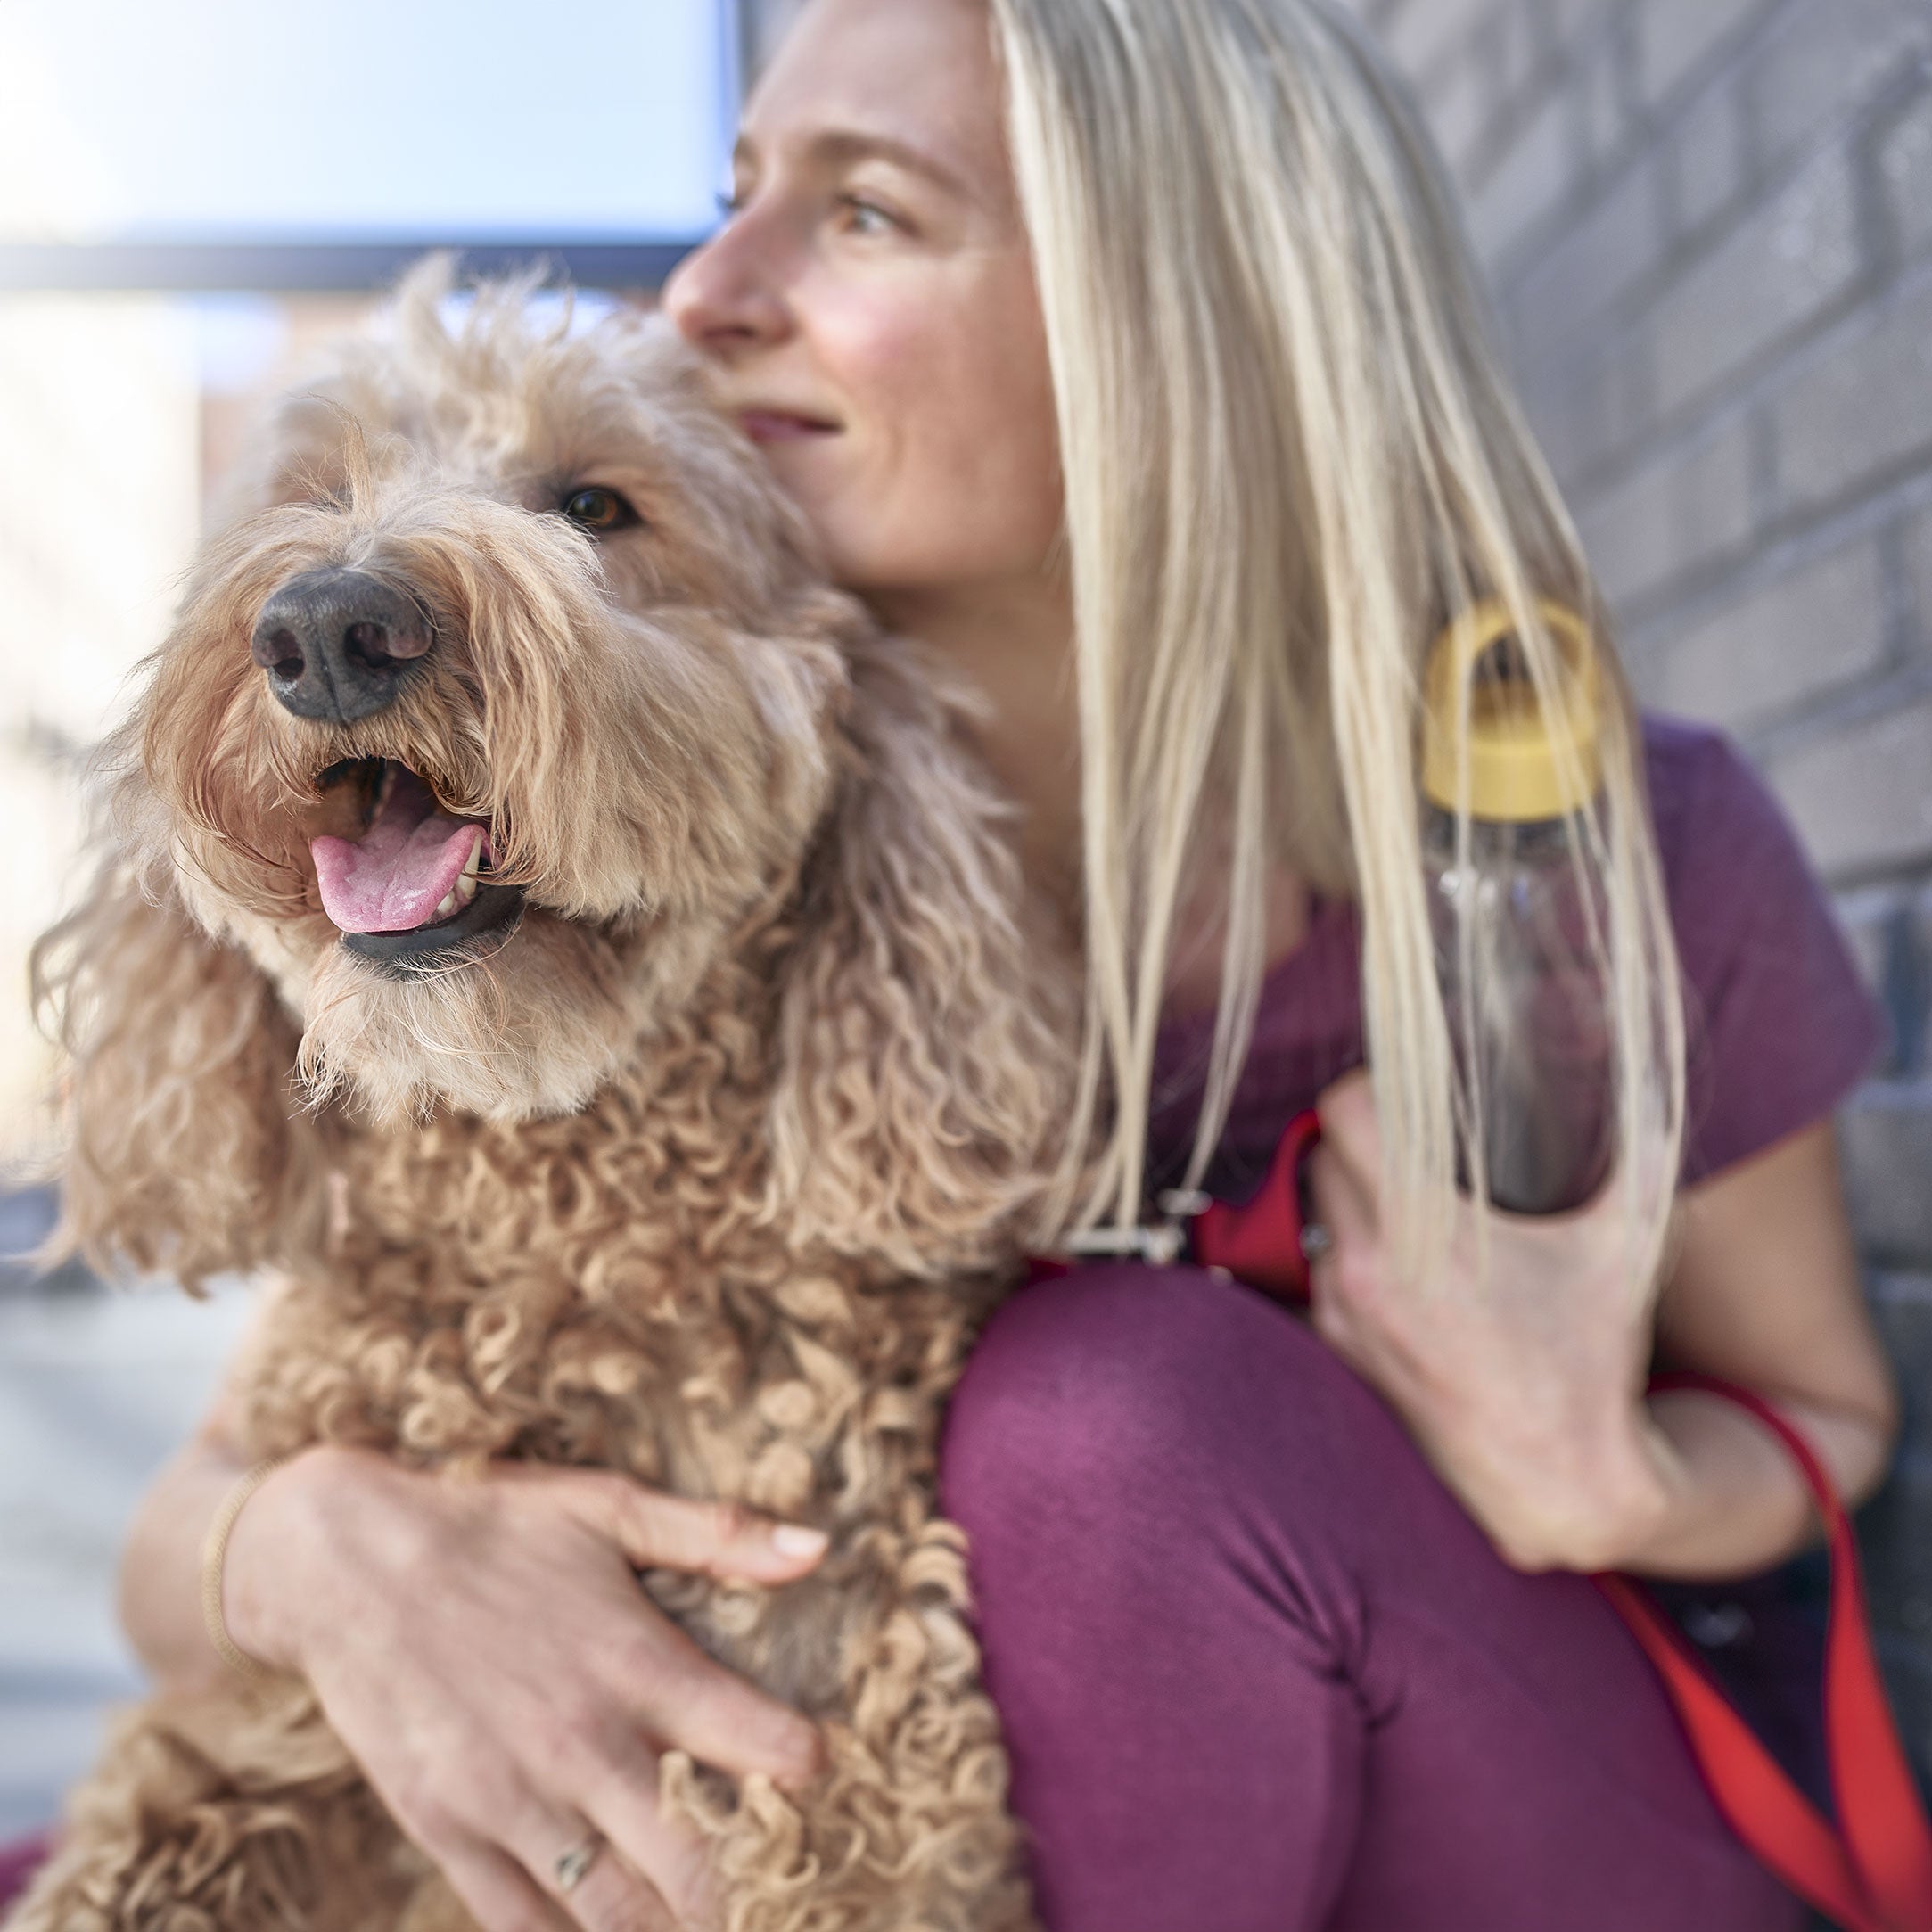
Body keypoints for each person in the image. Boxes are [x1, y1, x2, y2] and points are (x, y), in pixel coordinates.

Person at [71, 2, 1900, 1928]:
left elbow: (1831, 1417)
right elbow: (210, 1504)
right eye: (735, 195)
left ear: (1182, 321)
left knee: (1101, 1425)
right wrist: (324, 1552)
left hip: (1531, 1809)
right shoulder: (660, 860)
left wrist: (1608, 1474)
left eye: (862, 214)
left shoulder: (1591, 854)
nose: (708, 290)